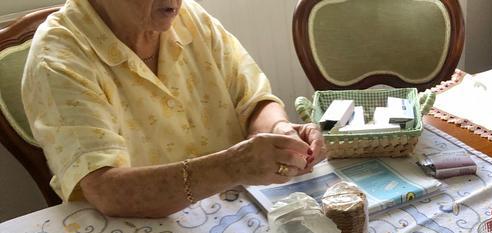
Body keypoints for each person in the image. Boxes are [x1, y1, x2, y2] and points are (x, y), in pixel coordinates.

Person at [22, 0, 325, 218]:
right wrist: (232, 167)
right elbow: (106, 191)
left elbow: (254, 101)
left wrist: (279, 133)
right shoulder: (58, 58)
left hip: (230, 216)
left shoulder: (191, 17)